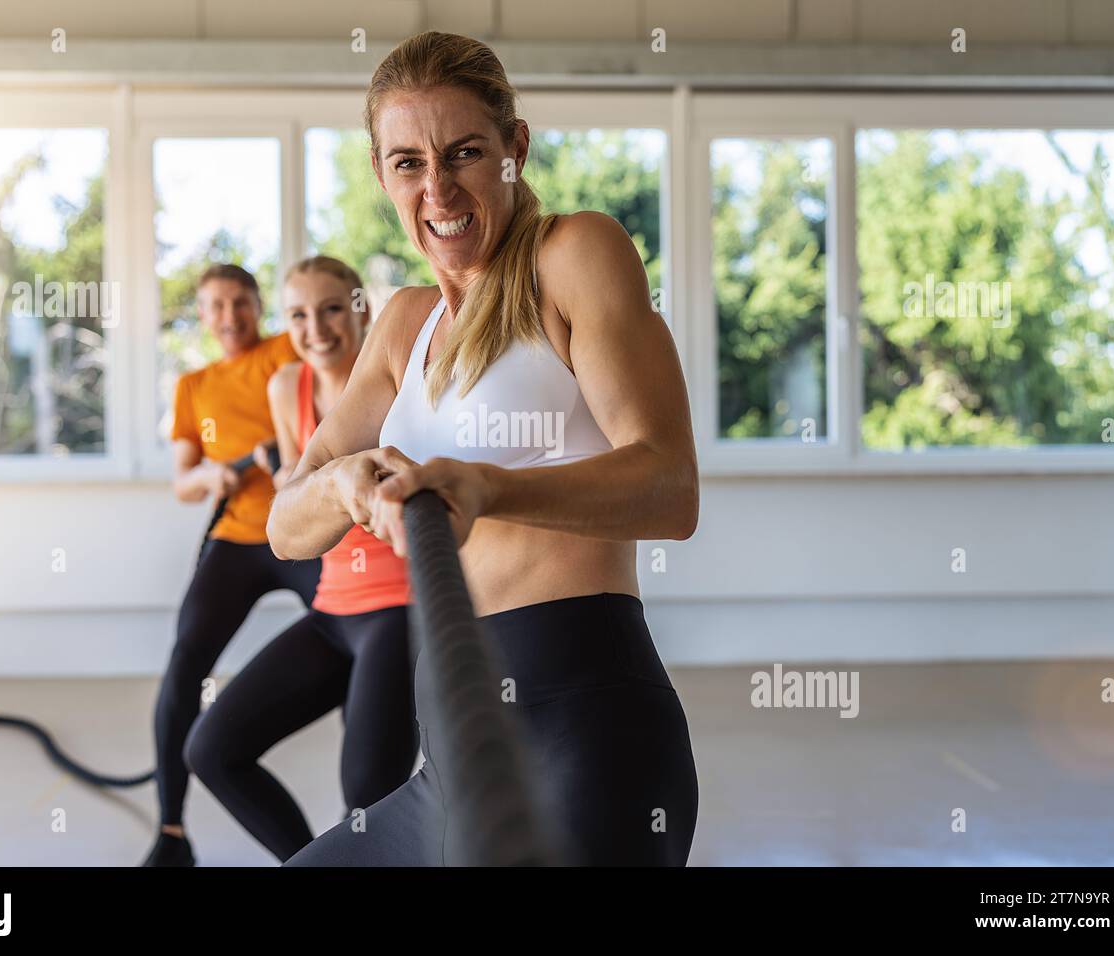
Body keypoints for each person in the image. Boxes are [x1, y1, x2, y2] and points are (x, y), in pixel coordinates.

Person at [268, 31, 700, 866]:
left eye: (464, 152)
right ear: (381, 174)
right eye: (407, 163)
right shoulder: (401, 324)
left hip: (590, 736)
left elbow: (670, 486)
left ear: (516, 148)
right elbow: (289, 525)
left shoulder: (576, 255)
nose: (438, 187)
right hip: (452, 758)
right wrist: (345, 485)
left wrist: (488, 487)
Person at [184, 257, 416, 862]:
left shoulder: (403, 383)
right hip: (332, 607)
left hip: (399, 610)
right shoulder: (289, 388)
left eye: (332, 308)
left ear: (360, 307)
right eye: (298, 314)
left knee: (367, 804)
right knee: (211, 749)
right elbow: (295, 504)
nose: (316, 327)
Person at [143, 263, 321, 867]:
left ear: (257, 304)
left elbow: (328, 379)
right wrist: (211, 475)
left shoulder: (284, 348)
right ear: (202, 313)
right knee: (186, 658)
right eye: (216, 305)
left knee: (361, 634)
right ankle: (171, 833)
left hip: (301, 531)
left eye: (241, 303)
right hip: (237, 535)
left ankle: (376, 816)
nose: (229, 316)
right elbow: (182, 480)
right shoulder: (193, 387)